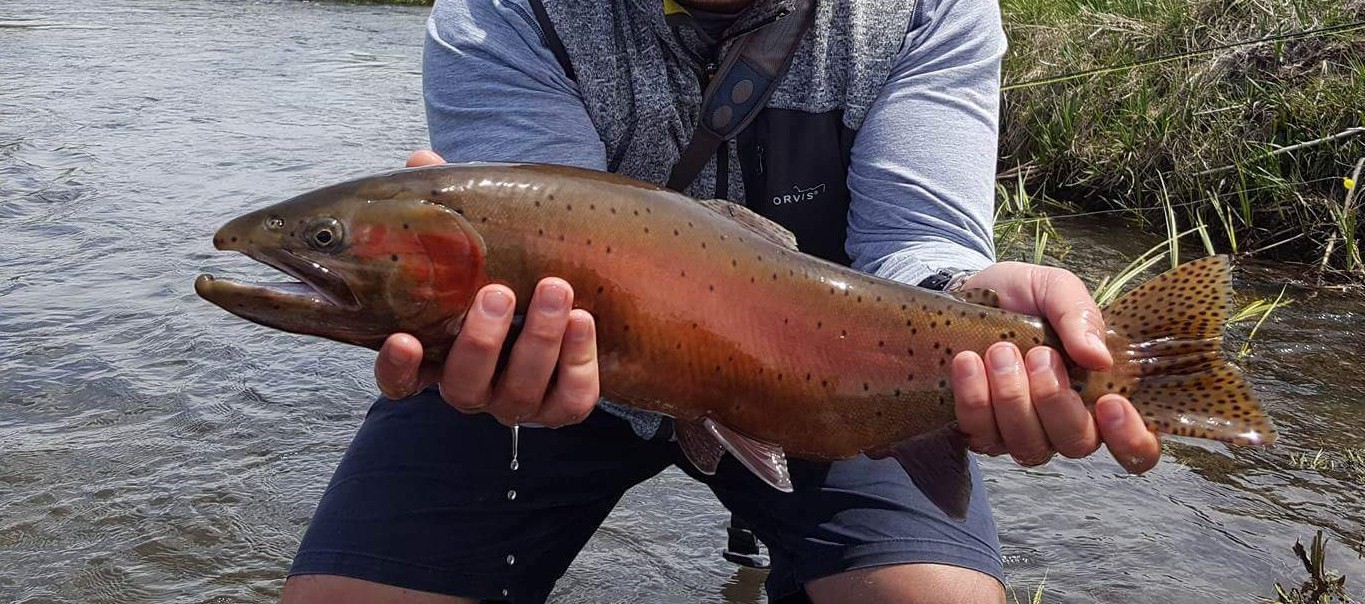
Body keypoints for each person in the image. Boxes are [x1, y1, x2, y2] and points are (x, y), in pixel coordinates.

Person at [282, 0, 1162, 602]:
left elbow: (917, 239)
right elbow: (545, 251)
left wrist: (962, 303)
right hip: (530, 367)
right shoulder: (504, 12)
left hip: (825, 370)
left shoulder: (928, 7)